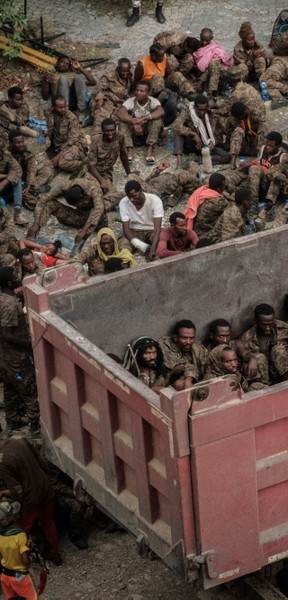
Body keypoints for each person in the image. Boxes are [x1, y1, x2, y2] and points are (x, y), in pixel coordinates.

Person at [0, 436, 61, 565]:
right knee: (49, 523)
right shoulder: (20, 440)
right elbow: (42, 463)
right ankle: (55, 554)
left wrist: (4, 493)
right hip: (46, 490)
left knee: (22, 531)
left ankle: (23, 560)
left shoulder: (2, 462)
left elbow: (18, 491)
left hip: (30, 501)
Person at [0, 267, 39, 434]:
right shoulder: (9, 304)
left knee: (10, 390)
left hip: (5, 357)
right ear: (10, 282)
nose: (18, 276)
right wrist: (28, 344)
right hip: (16, 358)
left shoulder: (5, 299)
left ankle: (12, 421)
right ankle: (35, 426)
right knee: (29, 390)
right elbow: (6, 334)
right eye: (15, 274)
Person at [26, 178, 106, 246]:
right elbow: (43, 199)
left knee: (98, 212)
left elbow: (99, 209)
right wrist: (36, 223)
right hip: (78, 216)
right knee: (50, 203)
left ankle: (80, 244)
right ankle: (33, 234)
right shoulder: (64, 186)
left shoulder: (94, 189)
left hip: (93, 219)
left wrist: (83, 230)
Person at [238, 303, 288, 385]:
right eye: (264, 325)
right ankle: (265, 389)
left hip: (280, 370)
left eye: (270, 324)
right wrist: (252, 359)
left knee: (278, 349)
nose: (268, 328)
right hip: (262, 374)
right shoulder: (247, 339)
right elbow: (241, 359)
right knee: (259, 358)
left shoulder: (283, 328)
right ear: (256, 321)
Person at [172, 94, 229, 168]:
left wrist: (216, 105)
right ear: (195, 107)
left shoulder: (210, 113)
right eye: (200, 110)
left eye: (204, 109)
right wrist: (194, 134)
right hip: (193, 145)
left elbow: (227, 110)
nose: (202, 112)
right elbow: (176, 126)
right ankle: (179, 163)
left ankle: (196, 159)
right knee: (178, 134)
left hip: (208, 146)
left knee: (226, 157)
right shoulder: (187, 112)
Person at [115, 80, 165, 165]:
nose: (138, 93)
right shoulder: (131, 101)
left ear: (148, 93)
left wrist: (143, 118)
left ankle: (150, 150)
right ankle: (129, 150)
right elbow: (120, 112)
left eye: (142, 91)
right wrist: (133, 122)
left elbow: (161, 111)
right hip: (135, 135)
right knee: (122, 122)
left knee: (157, 120)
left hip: (148, 133)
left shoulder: (153, 101)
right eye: (137, 90)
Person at [42, 56, 97, 125]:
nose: (64, 65)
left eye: (67, 64)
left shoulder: (73, 75)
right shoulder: (52, 76)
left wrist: (79, 68)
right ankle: (66, 113)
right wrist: (45, 83)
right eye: (62, 62)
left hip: (75, 102)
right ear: (57, 63)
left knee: (80, 77)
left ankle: (81, 113)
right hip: (60, 104)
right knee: (63, 79)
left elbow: (93, 82)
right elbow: (45, 97)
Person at [0, 499, 37, 600]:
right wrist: (33, 557)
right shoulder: (19, 536)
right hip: (18, 576)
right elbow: (25, 561)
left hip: (4, 576)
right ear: (11, 518)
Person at [120, 180, 164, 260]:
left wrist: (152, 249)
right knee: (122, 248)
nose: (132, 199)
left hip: (152, 230)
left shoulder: (155, 200)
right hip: (134, 231)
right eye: (129, 197)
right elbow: (126, 229)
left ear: (140, 191)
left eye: (134, 196)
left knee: (163, 240)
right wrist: (142, 246)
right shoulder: (123, 203)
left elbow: (157, 229)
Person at [159, 319, 209, 390]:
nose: (188, 342)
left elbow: (208, 364)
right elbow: (179, 366)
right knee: (180, 384)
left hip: (195, 382)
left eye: (191, 338)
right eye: (184, 338)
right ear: (175, 338)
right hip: (171, 385)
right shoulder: (166, 346)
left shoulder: (197, 347)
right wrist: (188, 380)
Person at [45, 95, 88, 174]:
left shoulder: (71, 118)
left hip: (74, 145)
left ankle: (86, 165)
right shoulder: (49, 113)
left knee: (63, 163)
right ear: (54, 107)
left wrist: (58, 156)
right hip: (56, 146)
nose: (64, 109)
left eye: (65, 106)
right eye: (60, 108)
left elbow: (72, 141)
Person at [87, 119, 131, 195]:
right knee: (92, 191)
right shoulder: (95, 140)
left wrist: (129, 173)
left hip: (106, 171)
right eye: (107, 131)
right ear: (102, 131)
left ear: (116, 128)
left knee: (110, 193)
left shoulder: (120, 136)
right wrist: (101, 180)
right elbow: (91, 165)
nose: (110, 133)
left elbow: (123, 154)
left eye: (112, 130)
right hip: (93, 171)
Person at [90, 59, 134, 124]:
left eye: (127, 71)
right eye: (122, 71)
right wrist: (100, 99)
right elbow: (99, 88)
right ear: (118, 68)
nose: (125, 74)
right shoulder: (109, 76)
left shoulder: (131, 75)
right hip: (108, 99)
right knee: (101, 113)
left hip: (120, 102)